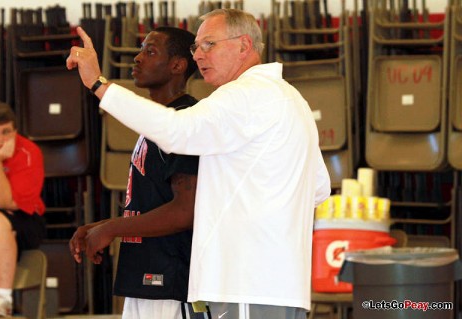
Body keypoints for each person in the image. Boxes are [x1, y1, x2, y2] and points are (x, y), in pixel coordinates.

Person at [67, 8, 331, 319]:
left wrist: (99, 85)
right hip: (277, 284)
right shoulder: (292, 100)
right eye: (196, 47)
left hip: (243, 283)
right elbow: (319, 188)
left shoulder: (245, 95)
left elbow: (176, 130)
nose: (199, 55)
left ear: (244, 46)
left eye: (209, 45)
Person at [69, 26, 208, 319]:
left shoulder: (186, 121)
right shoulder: (155, 122)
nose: (137, 58)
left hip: (171, 281)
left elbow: (185, 210)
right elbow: (154, 203)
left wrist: (111, 229)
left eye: (150, 51)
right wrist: (100, 225)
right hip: (145, 279)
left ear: (177, 65)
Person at [0, 103, 46, 317]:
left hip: (24, 219)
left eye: (6, 132)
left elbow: (4, 202)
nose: (0, 139)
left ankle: (2, 299)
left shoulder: (29, 152)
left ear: (15, 132)